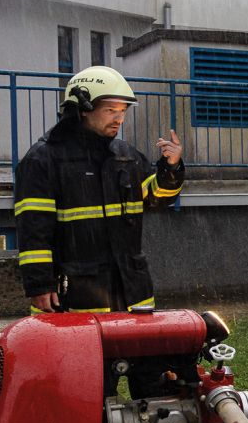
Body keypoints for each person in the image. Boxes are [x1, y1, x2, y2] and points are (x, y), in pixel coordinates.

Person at [15, 65, 184, 315]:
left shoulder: (127, 156)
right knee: (78, 356)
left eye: (123, 111)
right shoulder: (43, 160)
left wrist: (171, 168)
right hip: (75, 298)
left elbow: (156, 199)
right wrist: (40, 284)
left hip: (133, 294)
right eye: (110, 110)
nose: (120, 118)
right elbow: (34, 231)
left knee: (137, 355)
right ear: (83, 109)